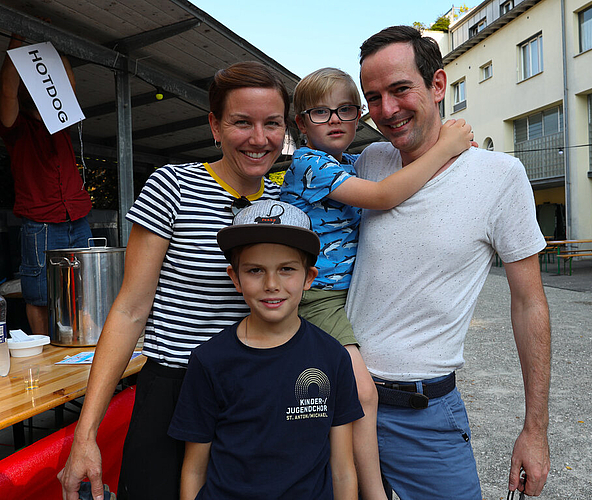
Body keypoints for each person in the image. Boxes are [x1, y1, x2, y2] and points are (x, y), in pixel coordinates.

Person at [58, 61, 289, 500]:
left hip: (258, 391)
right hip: (174, 390)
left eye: (271, 123)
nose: (259, 139)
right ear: (215, 126)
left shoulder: (286, 204)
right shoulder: (173, 186)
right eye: (242, 122)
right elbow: (129, 309)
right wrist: (85, 435)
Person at [345, 26, 551, 499]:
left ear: (438, 85)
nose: (387, 110)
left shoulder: (500, 177)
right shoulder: (369, 162)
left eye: (400, 90)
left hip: (423, 415)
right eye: (373, 98)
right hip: (344, 403)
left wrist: (534, 431)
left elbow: (529, 304)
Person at [280, 67, 473, 499]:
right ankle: (372, 492)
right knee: (363, 394)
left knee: (341, 395)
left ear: (358, 116)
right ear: (301, 124)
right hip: (317, 298)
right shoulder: (310, 164)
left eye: (345, 109)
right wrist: (447, 147)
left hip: (341, 297)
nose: (334, 120)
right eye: (319, 112)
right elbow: (385, 196)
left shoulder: (349, 162)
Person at [169, 200, 364, 499]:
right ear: (235, 278)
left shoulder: (333, 356)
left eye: (286, 269)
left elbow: (342, 468)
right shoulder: (209, 360)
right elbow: (195, 468)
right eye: (255, 270)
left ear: (309, 277)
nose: (272, 284)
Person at [0, 34, 92, 335]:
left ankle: (82, 344)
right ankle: (42, 350)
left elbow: (69, 84)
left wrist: (49, 46)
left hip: (76, 215)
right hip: (41, 221)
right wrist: (18, 39)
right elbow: (7, 91)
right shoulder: (15, 126)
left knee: (85, 287)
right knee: (40, 293)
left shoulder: (60, 119)